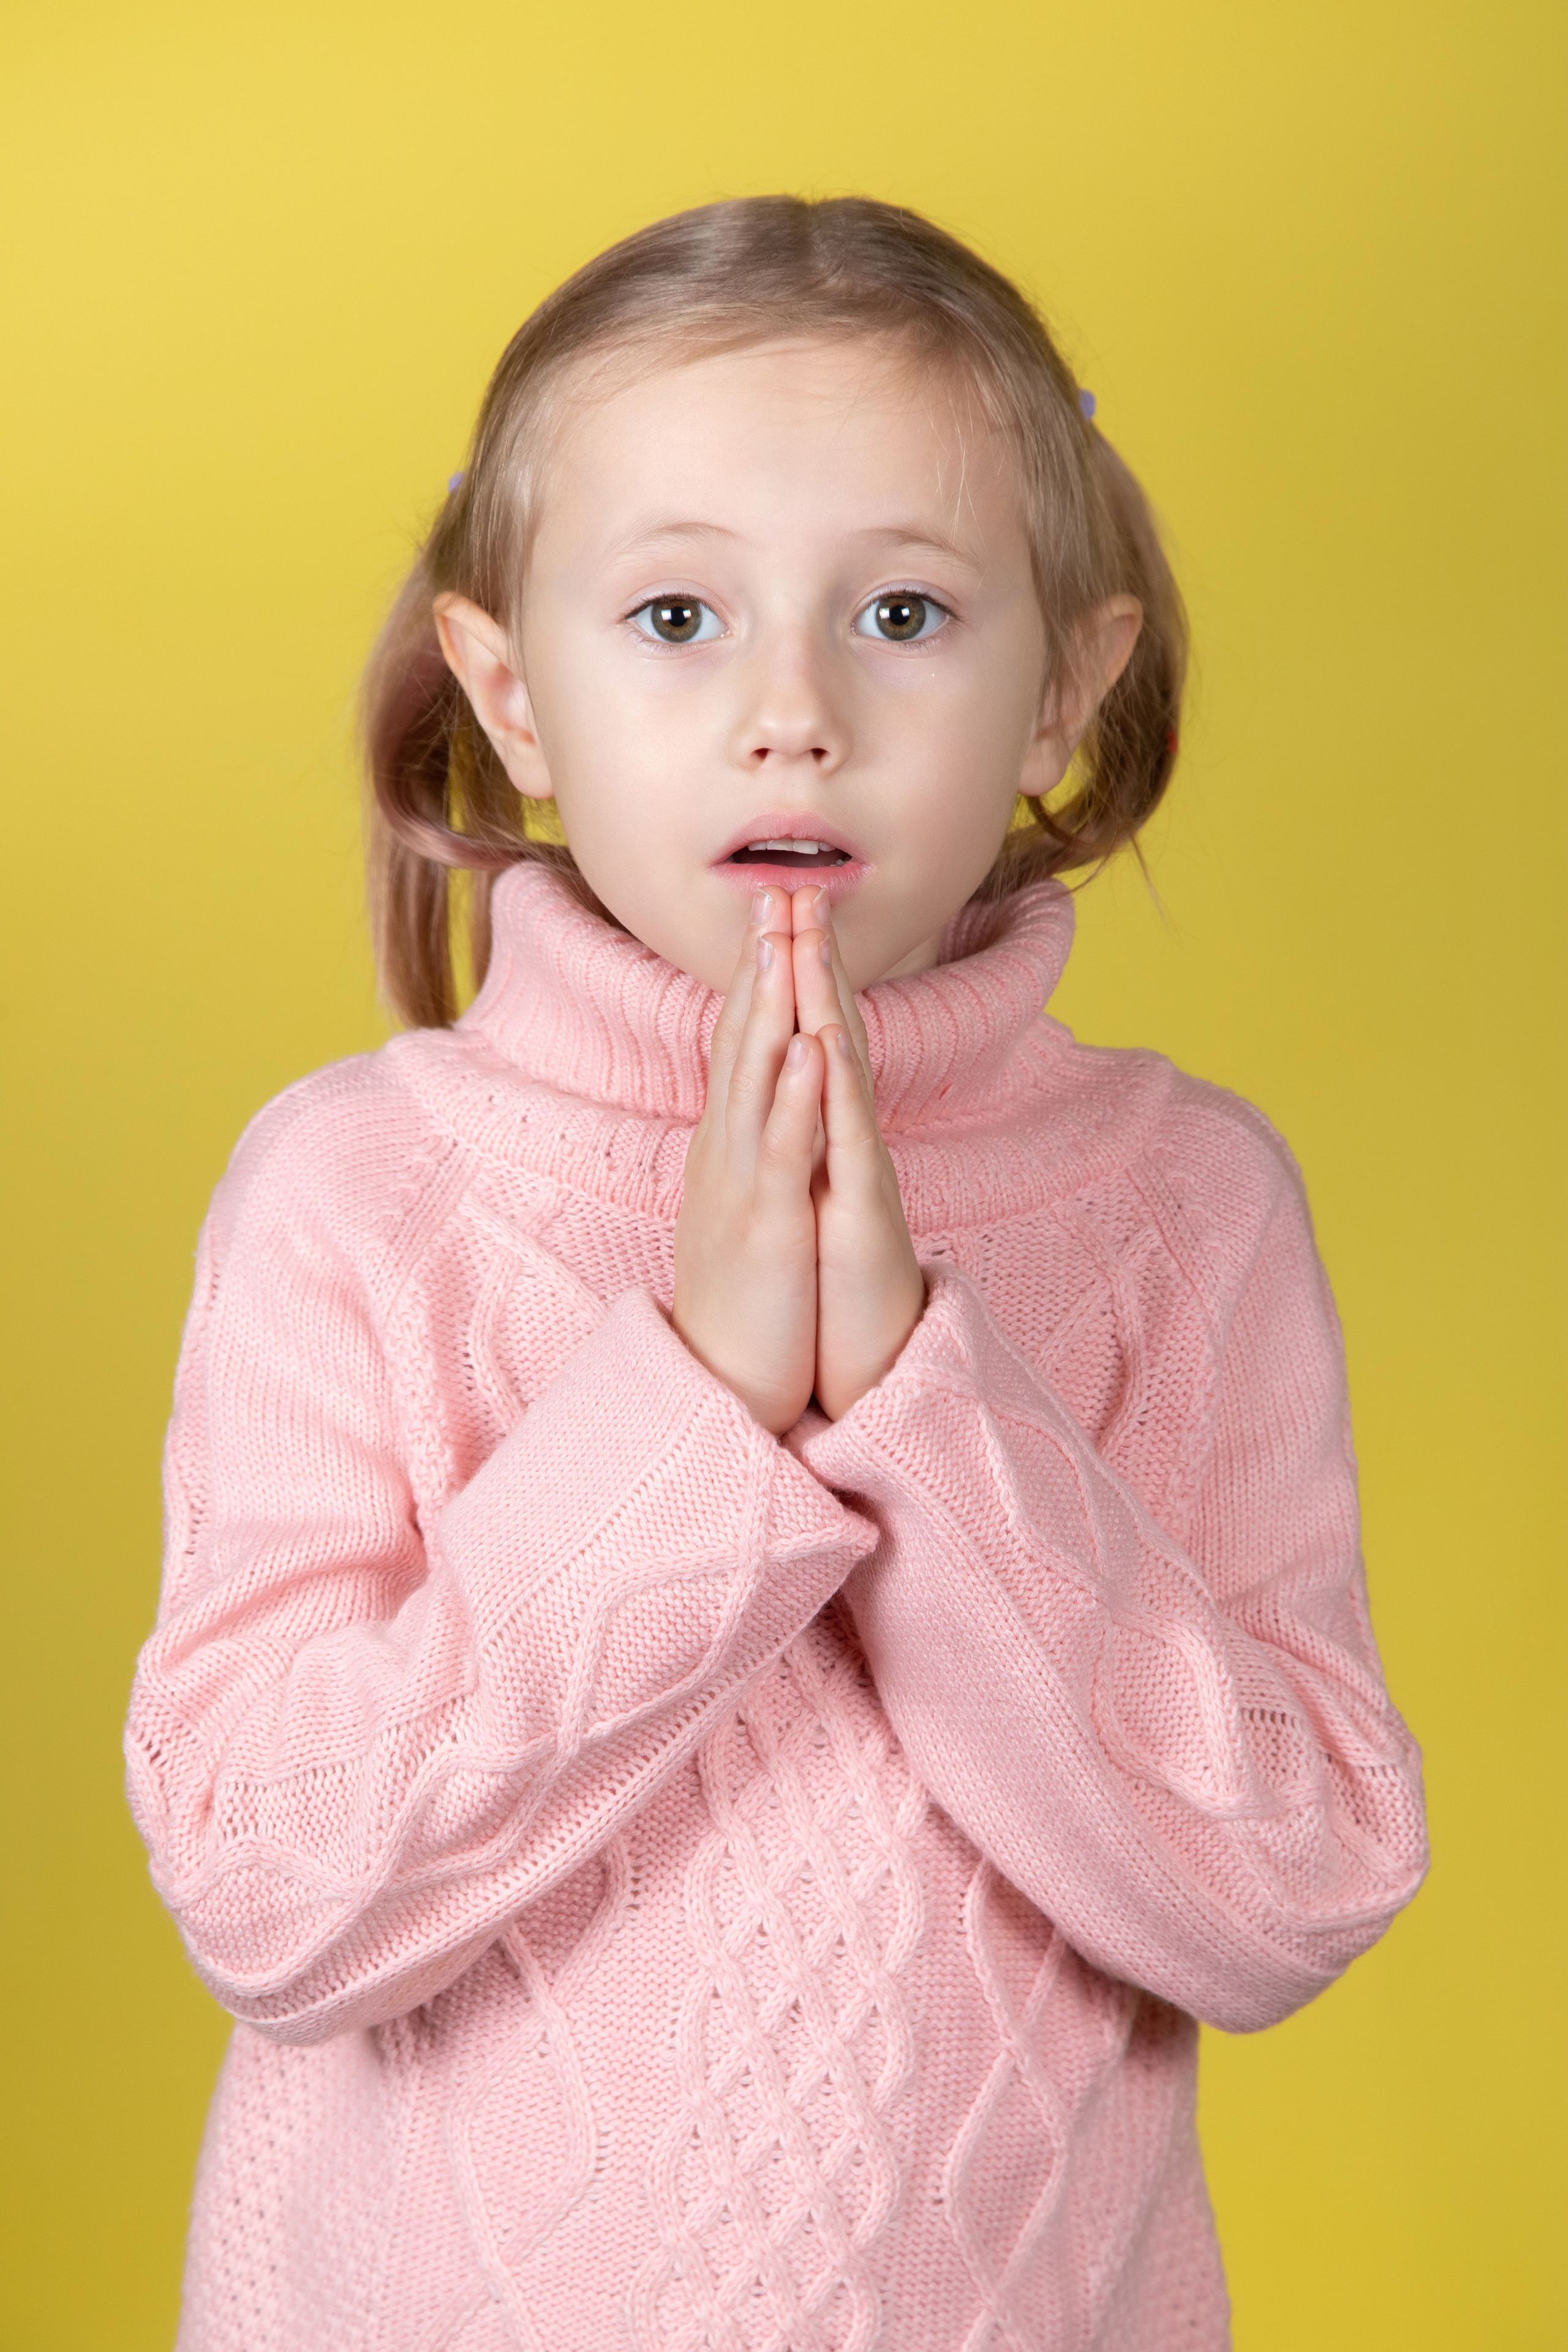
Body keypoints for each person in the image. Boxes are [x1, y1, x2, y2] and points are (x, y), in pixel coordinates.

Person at [126, 195, 1427, 2351]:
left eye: (905, 610)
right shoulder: (359, 1194)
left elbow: (1287, 1891)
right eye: (674, 618)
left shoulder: (1188, 1210)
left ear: (1062, 692)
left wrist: (921, 1388)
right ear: (510, 691)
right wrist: (695, 1414)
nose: (792, 715)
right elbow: (274, 1895)